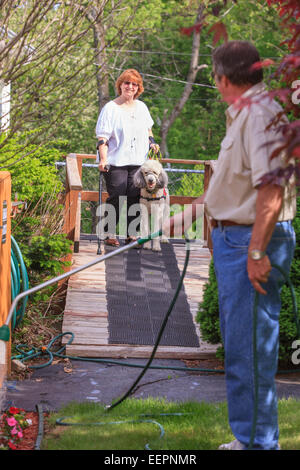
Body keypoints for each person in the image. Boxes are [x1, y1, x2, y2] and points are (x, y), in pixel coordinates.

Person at [163, 41, 296, 450]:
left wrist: (257, 251)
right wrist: (177, 220)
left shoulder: (258, 115)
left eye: (215, 79)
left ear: (223, 78)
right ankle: (249, 438)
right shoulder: (246, 114)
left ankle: (259, 444)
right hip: (235, 240)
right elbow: (230, 186)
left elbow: (271, 189)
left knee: (251, 349)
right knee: (240, 346)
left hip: (248, 243)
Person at [95, 68, 160, 247]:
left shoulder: (142, 107)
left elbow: (148, 129)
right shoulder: (111, 108)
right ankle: (109, 232)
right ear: (120, 85)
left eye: (134, 84)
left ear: (138, 88)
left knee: (134, 197)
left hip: (138, 161)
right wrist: (103, 159)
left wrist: (152, 142)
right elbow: (102, 137)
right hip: (116, 161)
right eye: (126, 83)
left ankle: (132, 234)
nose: (130, 87)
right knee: (117, 194)